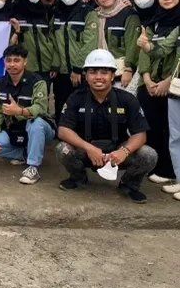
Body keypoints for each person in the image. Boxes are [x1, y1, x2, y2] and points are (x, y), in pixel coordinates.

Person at [56, 49, 157, 203]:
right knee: (62, 149)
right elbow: (63, 130)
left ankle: (129, 184)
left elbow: (140, 134)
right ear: (86, 76)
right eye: (93, 72)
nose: (98, 77)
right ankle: (78, 178)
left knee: (148, 154)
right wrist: (89, 148)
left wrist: (124, 151)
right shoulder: (76, 97)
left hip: (117, 154)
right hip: (87, 152)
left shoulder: (127, 99)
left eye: (104, 72)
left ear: (112, 75)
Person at [0, 45, 56, 184]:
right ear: (4, 62)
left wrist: (19, 111)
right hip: (16, 129)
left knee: (37, 124)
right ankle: (24, 154)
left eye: (16, 60)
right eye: (8, 60)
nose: (12, 64)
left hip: (40, 128)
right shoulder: (1, 84)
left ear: (25, 62)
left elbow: (40, 108)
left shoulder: (37, 81)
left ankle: (33, 167)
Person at [136, 0, 180, 188]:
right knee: (151, 126)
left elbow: (168, 51)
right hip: (150, 84)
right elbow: (144, 53)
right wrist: (146, 78)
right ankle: (152, 164)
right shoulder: (155, 21)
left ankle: (169, 169)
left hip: (172, 86)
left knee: (171, 131)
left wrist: (167, 81)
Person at [50, 0, 98, 118]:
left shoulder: (88, 12)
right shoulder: (55, 12)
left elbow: (89, 42)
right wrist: (55, 65)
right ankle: (62, 137)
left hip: (81, 73)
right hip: (62, 73)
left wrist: (78, 69)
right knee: (61, 109)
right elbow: (54, 41)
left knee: (82, 108)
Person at [91, 0, 140, 89]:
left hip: (121, 74)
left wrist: (128, 69)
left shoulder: (129, 14)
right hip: (100, 72)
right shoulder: (94, 15)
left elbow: (132, 44)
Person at [12, 0, 55, 84]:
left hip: (45, 68)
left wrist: (54, 64)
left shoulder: (46, 11)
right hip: (23, 68)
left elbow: (53, 39)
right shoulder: (14, 10)